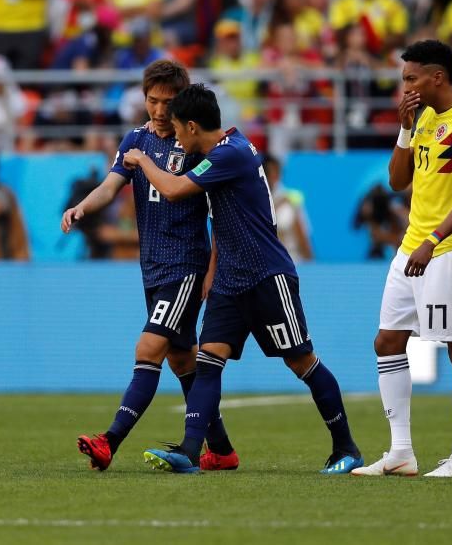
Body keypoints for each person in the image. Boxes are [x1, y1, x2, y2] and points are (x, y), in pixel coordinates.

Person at [126, 83, 364, 474]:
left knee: (301, 361)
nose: (175, 140)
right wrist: (212, 272)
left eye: (178, 131)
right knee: (208, 361)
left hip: (267, 276)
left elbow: (172, 190)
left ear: (190, 125)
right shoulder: (227, 150)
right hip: (230, 282)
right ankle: (190, 451)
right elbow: (223, 219)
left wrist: (142, 160)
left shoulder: (229, 154)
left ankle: (347, 448)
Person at [63, 61, 239, 472]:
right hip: (153, 268)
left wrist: (213, 267)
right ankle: (223, 449)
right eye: (152, 100)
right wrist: (83, 207)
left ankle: (109, 441)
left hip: (185, 265)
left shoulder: (192, 143)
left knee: (149, 348)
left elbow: (209, 208)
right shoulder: (134, 140)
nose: (159, 110)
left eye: (167, 102)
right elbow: (111, 186)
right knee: (182, 360)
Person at [351, 40, 452, 479]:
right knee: (387, 342)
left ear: (438, 77)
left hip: (449, 250)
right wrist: (405, 128)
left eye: (411, 78)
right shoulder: (423, 118)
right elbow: (397, 182)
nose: (405, 86)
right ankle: (401, 453)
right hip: (413, 246)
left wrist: (432, 240)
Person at [262, 154, 314, 262]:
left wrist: (311, 262)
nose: (275, 176)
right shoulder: (255, 200)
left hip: (293, 261)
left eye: (277, 172)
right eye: (271, 172)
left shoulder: (291, 200)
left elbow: (302, 236)